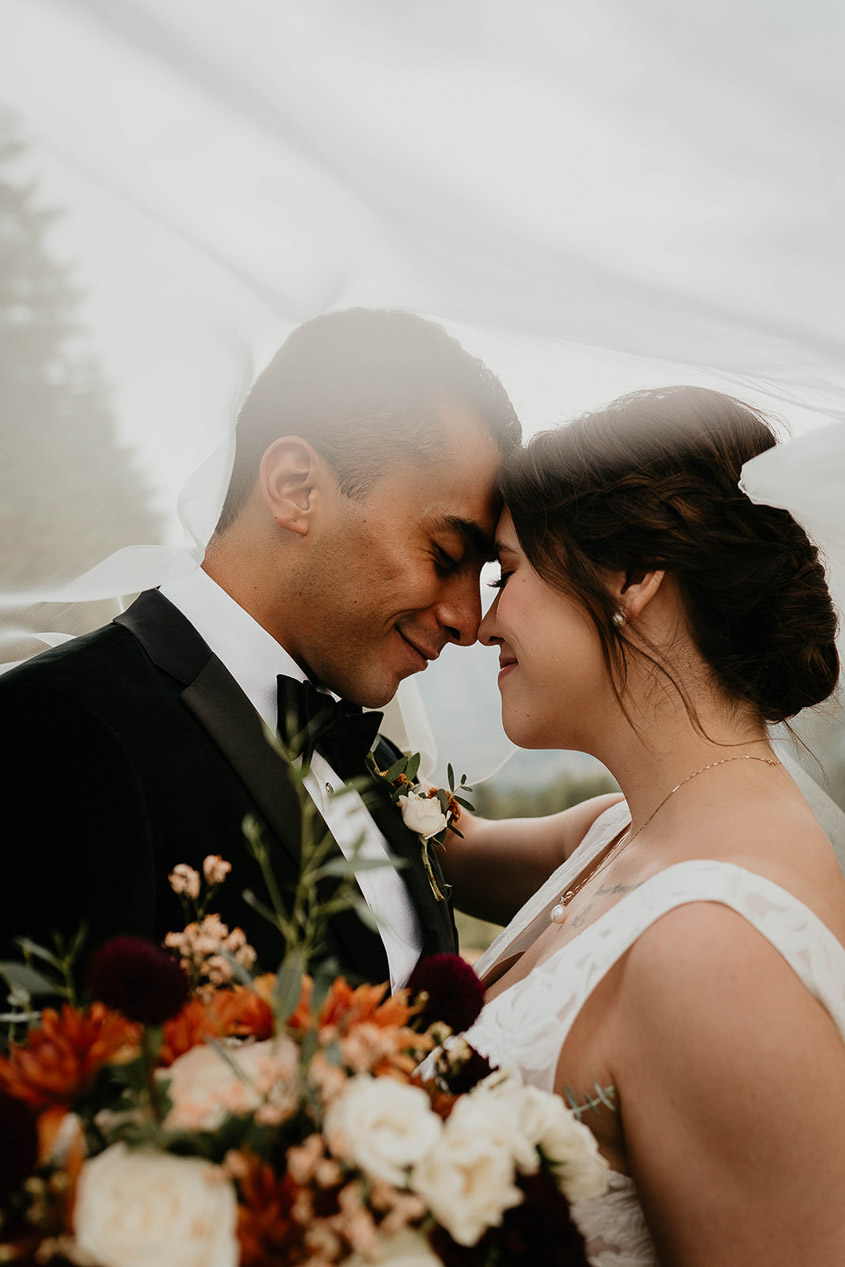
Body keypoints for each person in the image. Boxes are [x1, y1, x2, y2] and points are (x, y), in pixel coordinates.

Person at [442, 386, 845, 1265]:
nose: (478, 623)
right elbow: (448, 850)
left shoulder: (716, 955)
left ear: (631, 577)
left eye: (506, 572)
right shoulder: (616, 831)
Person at [0, 307, 520, 987]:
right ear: (295, 488)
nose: (467, 619)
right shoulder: (57, 728)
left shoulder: (377, 763)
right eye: (445, 552)